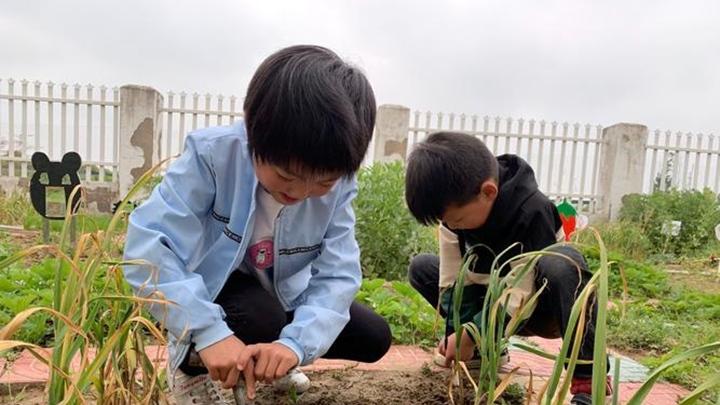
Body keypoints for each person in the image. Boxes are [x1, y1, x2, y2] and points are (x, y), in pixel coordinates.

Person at [123, 45, 391, 405]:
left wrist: (293, 345)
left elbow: (338, 277)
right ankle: (192, 362)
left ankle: (271, 362)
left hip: (281, 293)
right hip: (216, 289)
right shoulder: (212, 156)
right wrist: (208, 331)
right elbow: (148, 247)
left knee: (373, 336)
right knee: (259, 318)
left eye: (323, 183)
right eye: (286, 175)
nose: (302, 192)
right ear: (252, 129)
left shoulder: (339, 186)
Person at [405, 131, 609, 405]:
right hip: (488, 297)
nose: (453, 227)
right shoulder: (455, 212)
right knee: (422, 268)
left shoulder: (532, 210)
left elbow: (520, 295)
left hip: (540, 306)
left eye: (458, 220)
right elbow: (452, 280)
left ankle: (589, 380)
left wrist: (472, 334)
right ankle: (482, 354)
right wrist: (458, 333)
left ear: (488, 192)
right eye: (447, 221)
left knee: (563, 262)